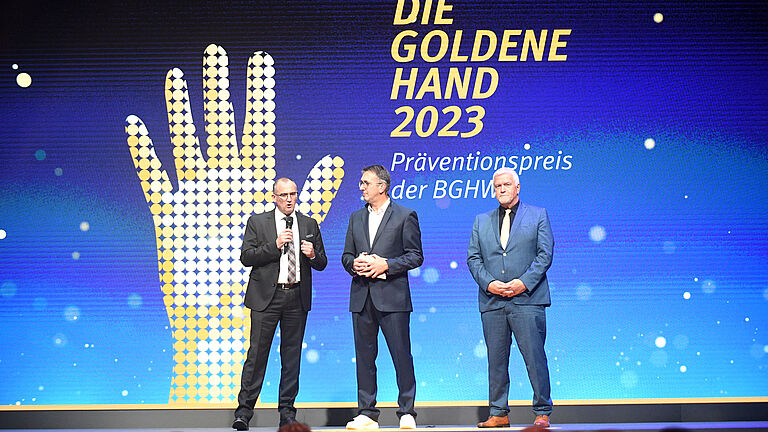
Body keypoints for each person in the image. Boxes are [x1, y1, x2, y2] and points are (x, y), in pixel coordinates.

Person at [233, 178, 328, 430]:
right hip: (267, 297)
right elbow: (246, 257)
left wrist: (312, 255)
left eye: (293, 194)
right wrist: (274, 246)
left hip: (296, 296)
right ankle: (244, 412)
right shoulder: (258, 222)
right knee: (257, 355)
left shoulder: (308, 224)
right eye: (284, 195)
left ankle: (287, 413)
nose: (289, 199)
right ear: (274, 197)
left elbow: (322, 262)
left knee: (291, 356)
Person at [467, 167, 554, 428]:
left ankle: (542, 412)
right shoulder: (481, 220)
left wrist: (523, 283)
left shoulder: (538, 214)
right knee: (496, 360)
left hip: (528, 299)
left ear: (517, 187)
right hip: (493, 301)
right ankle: (498, 412)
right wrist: (490, 284)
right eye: (497, 186)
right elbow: (473, 258)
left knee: (534, 358)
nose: (502, 189)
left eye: (506, 184)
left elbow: (545, 254)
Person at [342, 165, 424, 430]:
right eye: (361, 182)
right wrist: (354, 264)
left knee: (401, 355)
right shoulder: (356, 217)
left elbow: (415, 256)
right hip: (361, 297)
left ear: (382, 186)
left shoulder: (405, 215)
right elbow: (346, 256)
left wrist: (386, 265)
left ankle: (407, 411)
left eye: (366, 183)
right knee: (365, 358)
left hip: (393, 298)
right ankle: (367, 412)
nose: (361, 187)